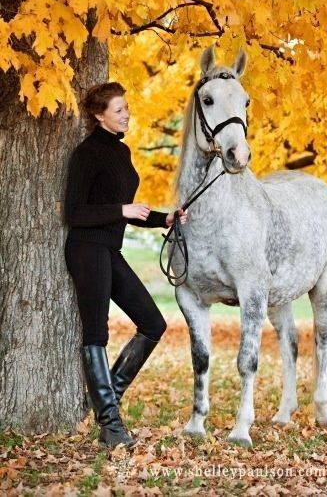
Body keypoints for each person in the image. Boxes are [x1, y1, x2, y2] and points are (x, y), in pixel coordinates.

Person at [64, 82, 187, 449]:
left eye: (127, 108)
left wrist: (165, 218)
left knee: (153, 323)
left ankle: (108, 401)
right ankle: (111, 427)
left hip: (109, 250)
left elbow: (129, 209)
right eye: (119, 110)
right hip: (86, 250)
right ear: (99, 115)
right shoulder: (86, 154)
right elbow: (75, 212)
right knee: (96, 333)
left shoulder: (122, 152)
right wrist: (122, 210)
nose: (126, 114)